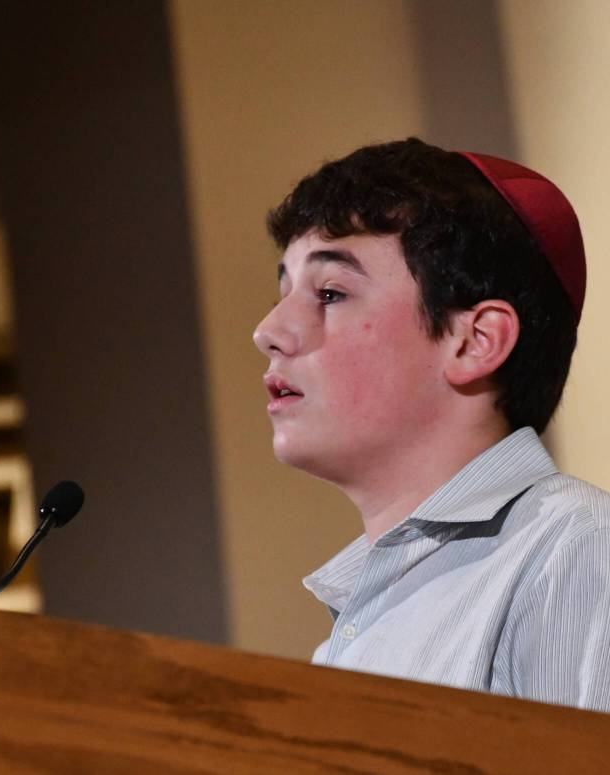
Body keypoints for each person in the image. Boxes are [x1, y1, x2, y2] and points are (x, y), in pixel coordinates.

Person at [253, 138, 610, 711]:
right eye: (284, 292)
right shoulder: (364, 616)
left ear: (475, 341)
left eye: (329, 292)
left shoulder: (577, 553)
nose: (269, 330)